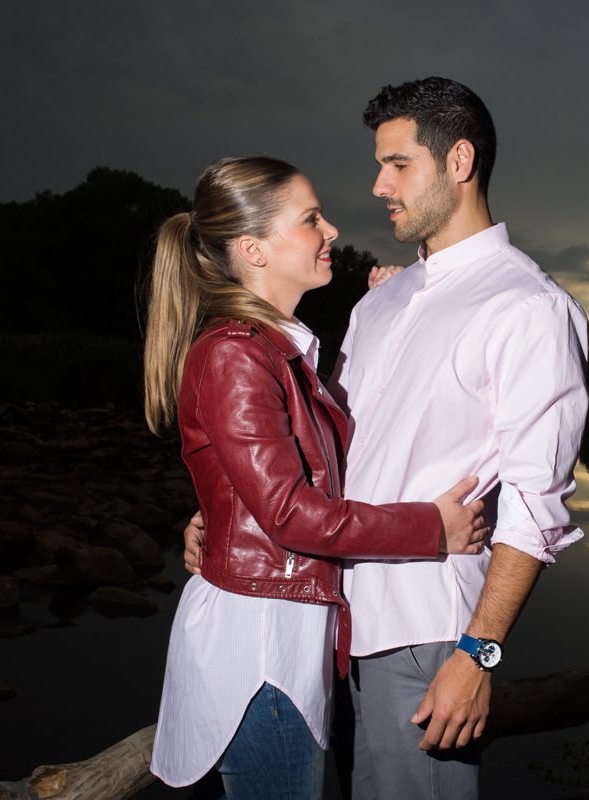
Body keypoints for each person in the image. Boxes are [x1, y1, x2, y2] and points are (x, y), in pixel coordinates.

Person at [186, 77, 589, 799]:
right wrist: (227, 511)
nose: (377, 185)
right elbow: (325, 450)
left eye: (398, 164)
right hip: (327, 625)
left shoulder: (529, 308)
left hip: (423, 631)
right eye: (380, 164)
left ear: (459, 162)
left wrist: (478, 654)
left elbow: (536, 506)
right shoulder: (384, 300)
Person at [143, 155, 489, 800]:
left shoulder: (281, 351)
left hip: (285, 633)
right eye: (310, 220)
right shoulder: (235, 354)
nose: (331, 230)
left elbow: (327, 455)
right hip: (259, 648)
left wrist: (393, 313)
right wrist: (433, 527)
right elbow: (292, 514)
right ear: (254, 249)